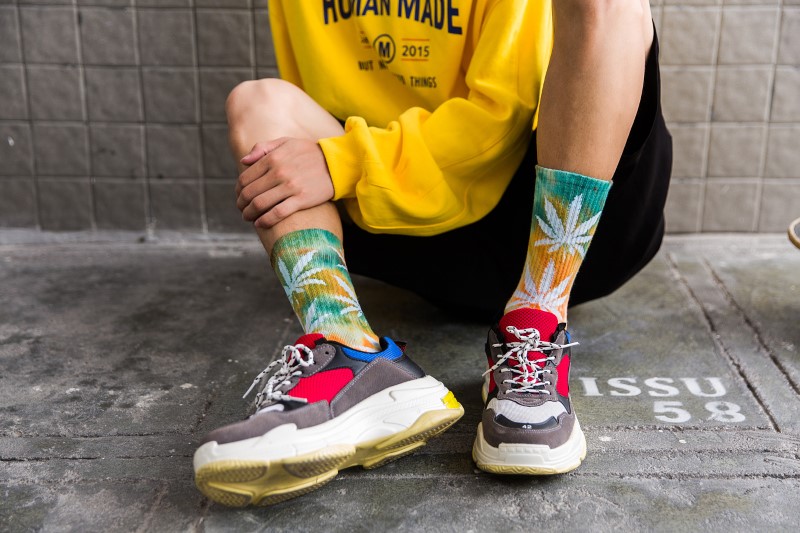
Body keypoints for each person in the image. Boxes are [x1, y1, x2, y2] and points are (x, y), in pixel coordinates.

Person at [193, 0, 671, 506]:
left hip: (550, 216)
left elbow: (502, 119)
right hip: (403, 221)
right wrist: (342, 165)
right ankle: (349, 349)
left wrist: (345, 162)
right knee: (257, 102)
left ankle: (538, 315)